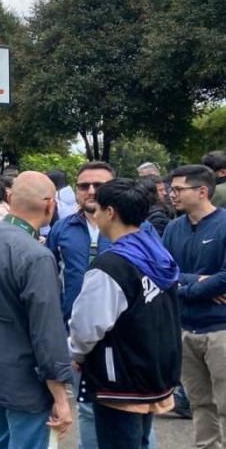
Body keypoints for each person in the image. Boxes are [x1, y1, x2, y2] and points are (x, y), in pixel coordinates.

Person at [68, 179, 181, 449]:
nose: (94, 216)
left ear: (110, 212)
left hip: (119, 377)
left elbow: (87, 326)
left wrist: (76, 354)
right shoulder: (157, 253)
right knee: (140, 440)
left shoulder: (111, 265)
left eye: (97, 209)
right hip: (153, 367)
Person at [0, 172, 74, 448]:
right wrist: (60, 396)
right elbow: (47, 331)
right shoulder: (36, 256)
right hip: (25, 377)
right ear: (50, 204)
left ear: (11, 198)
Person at [45, 161, 114, 447]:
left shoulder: (135, 227)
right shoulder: (62, 228)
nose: (91, 190)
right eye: (84, 185)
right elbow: (48, 275)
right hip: (74, 330)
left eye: (99, 185)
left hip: (122, 332)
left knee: (132, 408)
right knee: (86, 405)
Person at [162, 164, 226, 449]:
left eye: (178, 189)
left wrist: (184, 288)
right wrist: (199, 283)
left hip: (220, 329)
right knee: (200, 402)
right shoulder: (174, 228)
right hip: (185, 328)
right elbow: (163, 272)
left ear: (202, 191)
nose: (171, 194)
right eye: (170, 189)